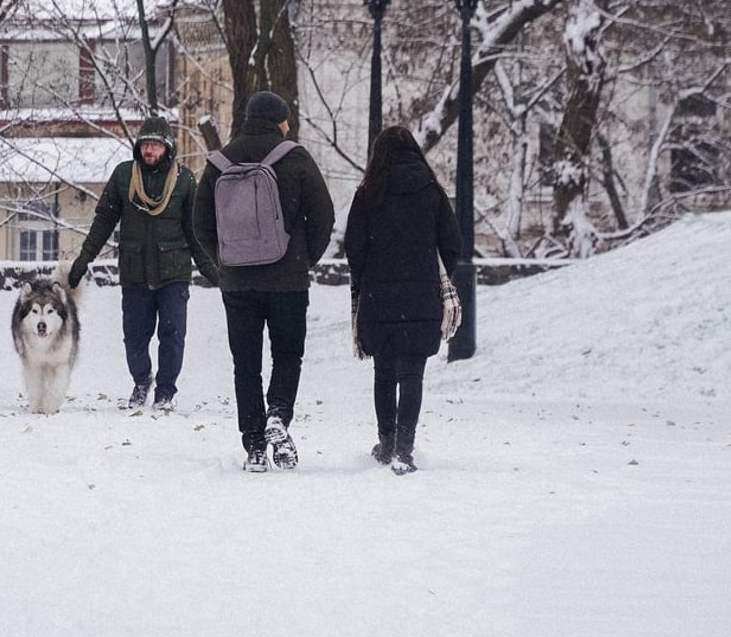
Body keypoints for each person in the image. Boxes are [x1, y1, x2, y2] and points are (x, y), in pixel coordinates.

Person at [193, 91, 335, 472]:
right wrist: (304, 259)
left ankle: (255, 445)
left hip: (238, 284)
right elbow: (324, 215)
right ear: (280, 121)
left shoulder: (219, 162)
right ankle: (279, 415)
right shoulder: (295, 157)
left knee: (246, 363)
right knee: (288, 354)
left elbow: (200, 223)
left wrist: (225, 261)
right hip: (288, 280)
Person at [69, 116, 219, 411]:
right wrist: (84, 259)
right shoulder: (124, 176)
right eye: (145, 145)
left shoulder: (185, 180)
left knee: (173, 335)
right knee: (135, 338)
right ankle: (141, 381)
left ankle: (165, 392)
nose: (149, 151)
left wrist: (212, 270)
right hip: (135, 271)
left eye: (155, 145)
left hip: (173, 271)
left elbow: (195, 230)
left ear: (168, 148)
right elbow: (103, 221)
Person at [343, 126, 461, 475]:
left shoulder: (368, 194)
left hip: (380, 296)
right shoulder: (431, 191)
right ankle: (404, 449)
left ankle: (386, 442)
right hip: (421, 294)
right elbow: (452, 243)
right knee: (413, 374)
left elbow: (354, 247)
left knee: (384, 372)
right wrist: (427, 268)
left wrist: (371, 274)